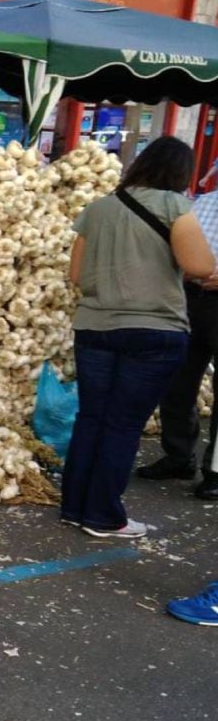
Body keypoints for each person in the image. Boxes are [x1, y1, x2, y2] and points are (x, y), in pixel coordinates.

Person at [60, 136, 215, 538]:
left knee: (91, 418)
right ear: (180, 173)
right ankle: (103, 516)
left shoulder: (98, 209)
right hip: (154, 330)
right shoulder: (175, 207)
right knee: (123, 425)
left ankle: (75, 507)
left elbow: (77, 275)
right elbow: (199, 265)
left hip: (94, 328)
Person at [136, 186, 218, 500]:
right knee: (177, 381)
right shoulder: (202, 204)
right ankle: (179, 456)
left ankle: (215, 471)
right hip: (192, 299)